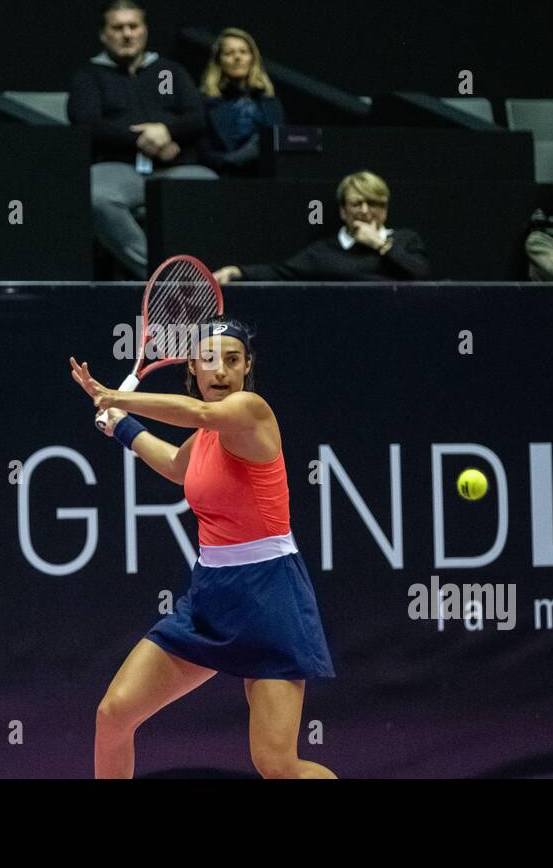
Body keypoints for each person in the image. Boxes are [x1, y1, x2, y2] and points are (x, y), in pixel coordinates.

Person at [69, 315, 336, 779]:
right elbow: (176, 465)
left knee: (275, 763)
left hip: (271, 598)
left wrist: (114, 396)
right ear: (193, 368)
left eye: (232, 361)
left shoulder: (249, 410)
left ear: (246, 365)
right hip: (210, 597)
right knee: (113, 714)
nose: (221, 373)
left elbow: (200, 413)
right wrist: (121, 426)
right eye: (209, 362)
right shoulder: (207, 436)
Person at [67, 0, 216, 279]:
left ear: (144, 30)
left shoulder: (170, 71)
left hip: (175, 168)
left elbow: (197, 118)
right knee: (95, 196)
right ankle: (160, 278)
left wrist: (165, 132)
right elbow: (86, 123)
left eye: (133, 26)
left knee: (209, 186)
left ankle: (206, 275)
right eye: (118, 27)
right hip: (118, 169)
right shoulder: (89, 76)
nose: (127, 34)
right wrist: (138, 138)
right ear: (103, 34)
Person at [213, 170, 429, 282]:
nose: (364, 210)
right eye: (356, 203)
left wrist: (379, 244)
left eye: (372, 203)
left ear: (385, 209)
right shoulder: (323, 251)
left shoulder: (406, 240)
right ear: (343, 212)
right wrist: (237, 272)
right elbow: (281, 273)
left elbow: (420, 274)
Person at [197, 28, 285, 175]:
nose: (237, 57)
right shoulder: (205, 102)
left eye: (243, 52)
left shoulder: (270, 102)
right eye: (229, 53)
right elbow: (203, 151)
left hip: (266, 176)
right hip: (224, 175)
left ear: (253, 58)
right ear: (219, 61)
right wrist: (230, 160)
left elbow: (282, 145)